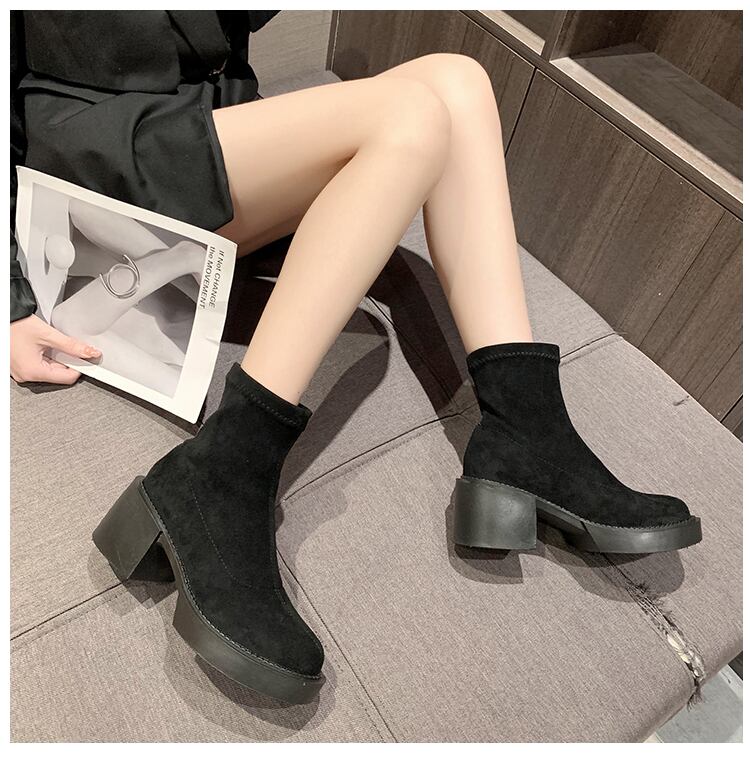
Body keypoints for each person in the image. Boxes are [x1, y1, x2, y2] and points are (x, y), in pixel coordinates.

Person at [10, 11, 702, 705]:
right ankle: (219, 471)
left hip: (207, 128)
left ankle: (525, 427)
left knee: (459, 82)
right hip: (97, 157)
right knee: (410, 117)